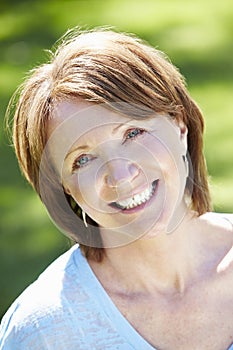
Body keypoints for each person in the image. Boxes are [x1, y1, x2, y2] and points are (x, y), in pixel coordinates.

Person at [0, 27, 233, 350]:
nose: (120, 175)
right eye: (82, 160)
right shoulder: (43, 332)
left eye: (133, 133)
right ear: (64, 186)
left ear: (179, 126)